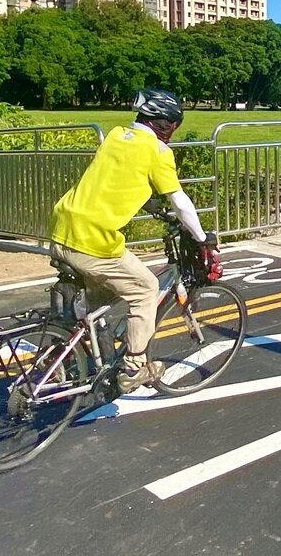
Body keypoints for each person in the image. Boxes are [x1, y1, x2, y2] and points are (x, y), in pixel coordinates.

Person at [47, 88, 213, 389]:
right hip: (94, 240)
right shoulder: (158, 152)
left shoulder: (114, 136)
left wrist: (149, 203)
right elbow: (180, 201)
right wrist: (202, 237)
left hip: (62, 227)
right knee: (146, 289)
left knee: (101, 300)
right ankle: (135, 368)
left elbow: (119, 176)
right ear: (168, 124)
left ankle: (73, 351)